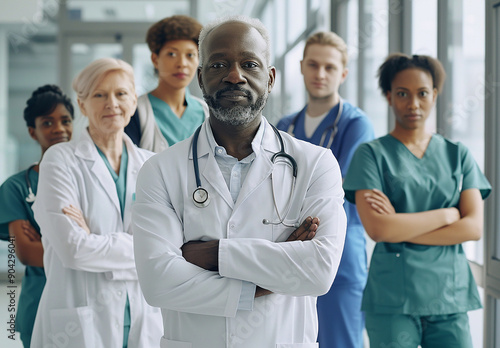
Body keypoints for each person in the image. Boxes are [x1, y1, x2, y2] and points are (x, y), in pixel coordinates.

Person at [132, 15, 347, 348]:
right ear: (201, 79)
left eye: (250, 64)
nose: (235, 76)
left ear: (271, 78)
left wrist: (214, 254)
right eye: (219, 64)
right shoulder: (160, 170)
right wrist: (270, 280)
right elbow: (158, 282)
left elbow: (319, 272)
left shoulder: (315, 165)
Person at [343, 53, 491, 348]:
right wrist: (447, 216)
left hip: (449, 296)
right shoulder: (371, 155)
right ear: (388, 96)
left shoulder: (457, 154)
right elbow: (380, 230)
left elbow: (473, 228)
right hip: (392, 299)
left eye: (422, 93)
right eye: (402, 94)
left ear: (434, 94)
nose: (413, 104)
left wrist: (401, 225)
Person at [30, 58, 162, 348]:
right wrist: (141, 248)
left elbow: (170, 248)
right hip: (81, 321)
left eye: (121, 94)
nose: (111, 103)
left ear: (134, 101)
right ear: (82, 104)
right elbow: (73, 250)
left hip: (143, 317)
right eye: (99, 95)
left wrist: (94, 239)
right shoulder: (60, 160)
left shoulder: (152, 165)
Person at [276, 31, 374, 348]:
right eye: (313, 65)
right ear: (302, 67)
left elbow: (335, 190)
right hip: (291, 253)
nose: (320, 74)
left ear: (343, 73)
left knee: (341, 341)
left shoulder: (355, 124)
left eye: (330, 67)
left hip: (340, 256)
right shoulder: (283, 127)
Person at [0, 85, 84, 347]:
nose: (58, 128)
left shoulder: (88, 178)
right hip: (38, 303)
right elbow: (26, 253)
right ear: (32, 131)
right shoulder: (16, 187)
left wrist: (47, 242)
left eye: (65, 120)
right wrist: (86, 247)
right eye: (47, 122)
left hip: (87, 299)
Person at [125, 15, 208, 152]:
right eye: (172, 54)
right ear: (155, 59)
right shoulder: (135, 112)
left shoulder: (206, 112)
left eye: (190, 55)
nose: (182, 64)